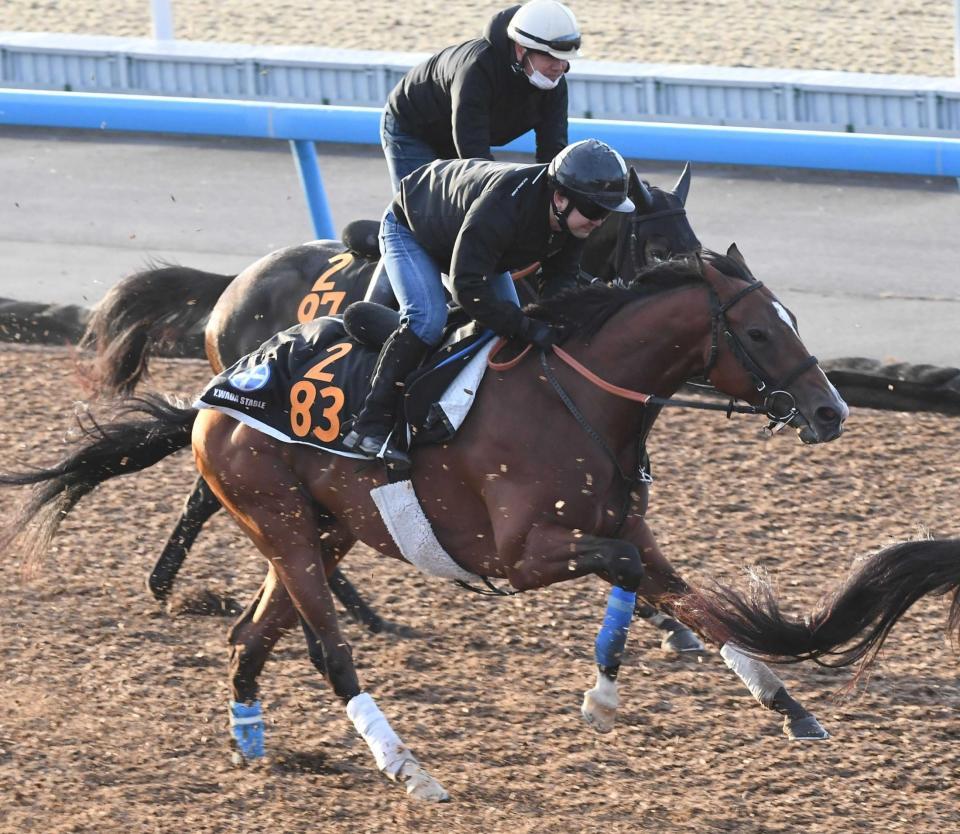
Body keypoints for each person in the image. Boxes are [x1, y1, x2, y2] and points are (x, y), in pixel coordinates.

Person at [342, 139, 635, 467]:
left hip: (469, 238)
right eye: (594, 211)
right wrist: (525, 325)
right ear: (560, 197)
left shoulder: (571, 220)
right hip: (412, 228)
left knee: (505, 332)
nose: (598, 221)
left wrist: (560, 325)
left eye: (606, 213)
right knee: (427, 318)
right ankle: (370, 425)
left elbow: (559, 283)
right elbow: (468, 286)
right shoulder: (503, 207)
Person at [381, 1, 582, 193]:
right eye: (550, 57)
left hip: (454, 133)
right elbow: (474, 155)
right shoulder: (476, 70)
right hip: (412, 126)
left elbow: (552, 149)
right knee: (421, 207)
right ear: (521, 49)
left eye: (564, 59)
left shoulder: (553, 82)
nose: (559, 67)